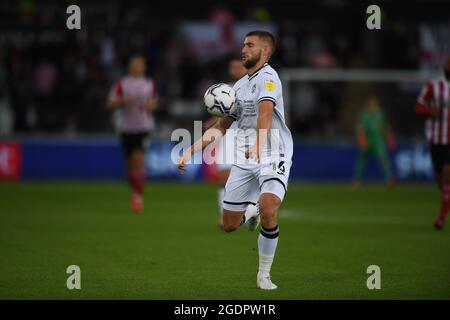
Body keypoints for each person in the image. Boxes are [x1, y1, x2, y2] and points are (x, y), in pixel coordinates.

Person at [178, 31, 293, 290]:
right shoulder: (238, 88)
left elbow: (265, 113)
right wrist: (190, 150)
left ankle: (264, 274)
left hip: (274, 153)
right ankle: (249, 212)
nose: (243, 49)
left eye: (250, 45)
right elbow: (219, 128)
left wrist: (259, 144)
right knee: (229, 225)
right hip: (246, 158)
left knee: (270, 207)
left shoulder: (269, 78)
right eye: (243, 45)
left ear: (265, 51)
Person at [106, 55, 158, 213]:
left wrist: (150, 106)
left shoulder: (149, 84)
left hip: (143, 127)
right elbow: (109, 103)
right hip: (126, 128)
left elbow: (154, 103)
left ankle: (137, 196)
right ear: (129, 67)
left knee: (138, 158)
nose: (137, 68)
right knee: (130, 164)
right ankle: (134, 191)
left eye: (140, 65)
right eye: (134, 65)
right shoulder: (121, 84)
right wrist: (122, 101)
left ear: (143, 68)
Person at [203, 58, 247, 229]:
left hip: (247, 135)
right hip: (228, 136)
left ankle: (250, 212)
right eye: (232, 67)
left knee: (247, 178)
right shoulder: (224, 89)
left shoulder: (251, 87)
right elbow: (224, 111)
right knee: (223, 177)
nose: (235, 70)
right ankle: (225, 216)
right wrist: (212, 123)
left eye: (238, 67)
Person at [415, 56, 450, 230]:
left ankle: (441, 219)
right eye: (447, 63)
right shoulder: (433, 86)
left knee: (446, 177)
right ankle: (446, 202)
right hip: (436, 140)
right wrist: (430, 111)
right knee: (440, 181)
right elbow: (418, 106)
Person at [353, 94, 396, 186]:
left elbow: (385, 127)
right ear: (368, 104)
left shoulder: (380, 114)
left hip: (378, 139)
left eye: (374, 103)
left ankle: (389, 179)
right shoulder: (364, 114)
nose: (373, 105)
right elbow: (360, 127)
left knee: (383, 158)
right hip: (367, 139)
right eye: (371, 103)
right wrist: (361, 139)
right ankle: (357, 180)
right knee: (361, 159)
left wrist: (390, 137)